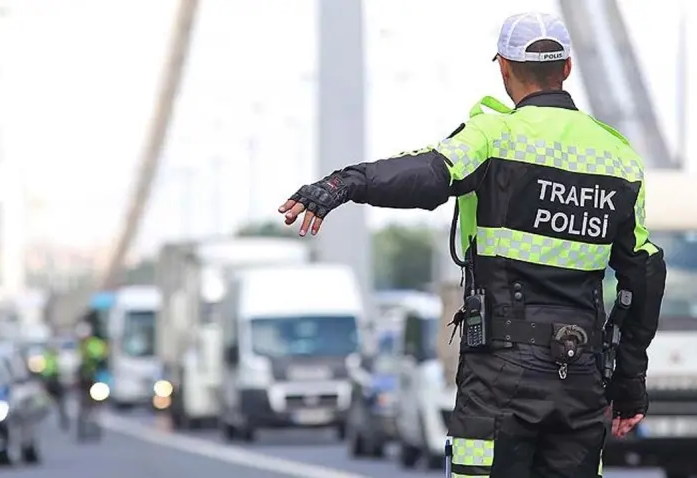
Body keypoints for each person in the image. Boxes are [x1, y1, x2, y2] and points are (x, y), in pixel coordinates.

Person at [278, 12, 666, 477]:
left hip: (501, 376)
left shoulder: (493, 136)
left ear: (504, 67)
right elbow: (644, 275)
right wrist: (628, 384)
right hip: (580, 378)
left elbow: (425, 174)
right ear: (566, 67)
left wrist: (344, 184)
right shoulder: (619, 158)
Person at [40, 342, 68, 430]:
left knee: (60, 403)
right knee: (45, 403)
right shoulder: (46, 357)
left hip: (57, 381)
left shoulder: (58, 358)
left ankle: (63, 420)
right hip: (50, 381)